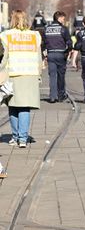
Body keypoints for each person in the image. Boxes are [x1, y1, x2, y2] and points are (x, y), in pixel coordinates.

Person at [0, 10, 44, 150]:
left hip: (13, 75)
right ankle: (23, 138)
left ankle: (15, 136)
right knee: (25, 106)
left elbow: (4, 58)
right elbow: (38, 58)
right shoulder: (34, 35)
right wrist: (38, 74)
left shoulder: (6, 35)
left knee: (13, 106)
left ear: (12, 19)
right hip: (30, 75)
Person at [42, 11, 72, 103]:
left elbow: (43, 43)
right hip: (61, 54)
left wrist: (45, 54)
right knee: (61, 76)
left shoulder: (46, 29)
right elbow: (69, 42)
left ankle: (52, 96)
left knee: (52, 76)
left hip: (50, 54)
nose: (64, 20)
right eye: (63, 18)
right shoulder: (63, 29)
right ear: (59, 18)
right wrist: (68, 51)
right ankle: (61, 95)